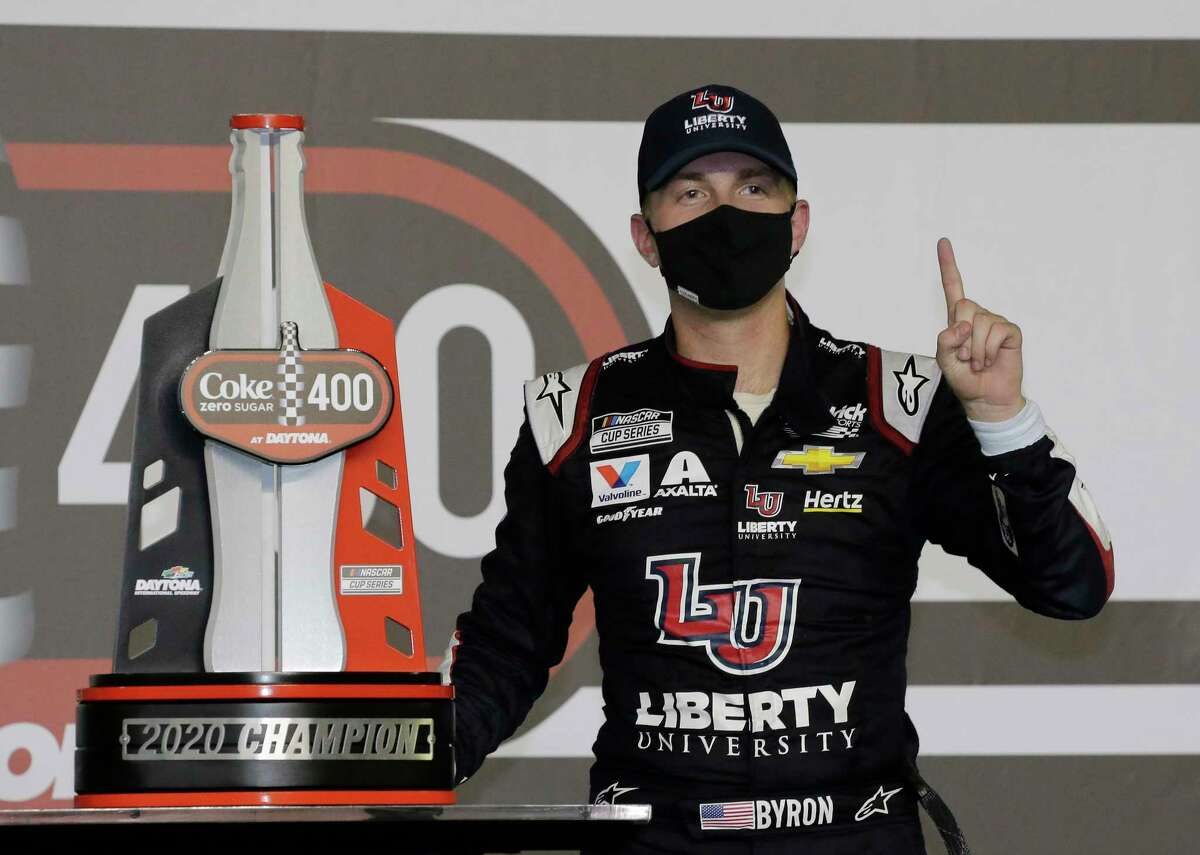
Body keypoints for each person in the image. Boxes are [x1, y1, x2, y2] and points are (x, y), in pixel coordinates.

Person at [441, 83, 1114, 854]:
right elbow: (509, 642)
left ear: (798, 224)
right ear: (645, 234)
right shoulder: (575, 417)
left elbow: (1074, 586)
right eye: (691, 192)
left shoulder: (901, 403)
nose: (724, 214)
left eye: (752, 188)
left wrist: (1002, 414)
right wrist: (412, 765)